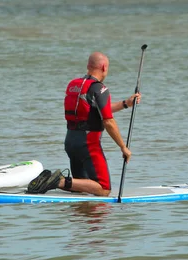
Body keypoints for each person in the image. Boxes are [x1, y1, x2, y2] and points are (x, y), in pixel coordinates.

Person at [28, 52, 140, 196]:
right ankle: (57, 181)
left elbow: (96, 110)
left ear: (88, 66)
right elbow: (108, 121)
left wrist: (126, 104)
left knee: (82, 187)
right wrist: (123, 147)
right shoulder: (100, 89)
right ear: (104, 67)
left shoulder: (74, 84)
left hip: (71, 142)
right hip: (88, 144)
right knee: (103, 188)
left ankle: (53, 184)